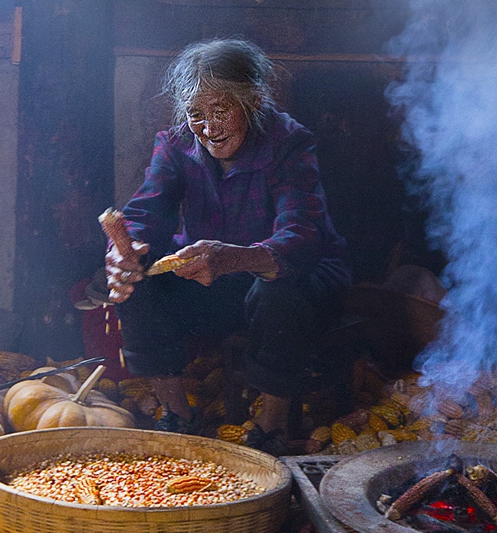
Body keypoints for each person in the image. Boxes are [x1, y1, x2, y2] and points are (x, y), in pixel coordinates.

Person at [107, 38, 350, 451]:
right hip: (210, 273)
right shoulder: (177, 142)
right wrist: (124, 252)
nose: (208, 128)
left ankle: (271, 427)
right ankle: (177, 414)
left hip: (294, 275)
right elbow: (148, 210)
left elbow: (302, 233)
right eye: (196, 114)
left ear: (253, 102)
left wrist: (237, 258)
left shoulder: (288, 142)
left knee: (279, 292)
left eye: (221, 111)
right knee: (137, 281)